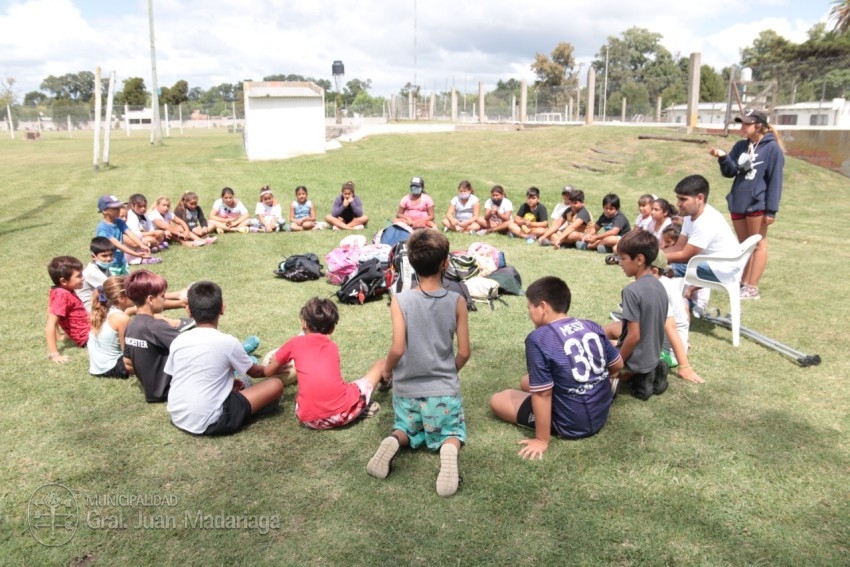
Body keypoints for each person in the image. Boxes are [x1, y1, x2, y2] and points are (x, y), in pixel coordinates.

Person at [366, 229, 470, 497]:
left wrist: (388, 370)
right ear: (445, 263)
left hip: (407, 393)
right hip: (443, 393)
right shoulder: (457, 301)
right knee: (451, 431)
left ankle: (393, 440)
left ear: (411, 263)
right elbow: (465, 352)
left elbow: (398, 348)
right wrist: (448, 371)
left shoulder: (399, 301)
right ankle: (448, 448)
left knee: (405, 428)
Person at [488, 276, 623, 460]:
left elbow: (543, 395)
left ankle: (557, 421)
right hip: (600, 410)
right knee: (526, 381)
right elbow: (618, 364)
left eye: (530, 307)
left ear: (543, 307)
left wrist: (541, 440)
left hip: (572, 422)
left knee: (498, 399)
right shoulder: (590, 325)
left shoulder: (538, 339)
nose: (529, 313)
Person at [165, 281, 284, 436]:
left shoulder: (179, 340)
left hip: (177, 415)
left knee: (240, 382)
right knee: (275, 385)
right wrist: (276, 364)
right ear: (222, 308)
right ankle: (250, 410)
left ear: (188, 311)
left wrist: (225, 383)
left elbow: (183, 375)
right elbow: (257, 373)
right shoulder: (228, 342)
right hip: (212, 421)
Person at [264, 297, 385, 429]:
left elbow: (268, 371)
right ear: (332, 329)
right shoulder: (332, 347)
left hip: (308, 420)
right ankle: (376, 391)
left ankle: (354, 406)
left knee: (300, 395)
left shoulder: (294, 343)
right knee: (380, 364)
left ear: (304, 323)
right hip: (341, 415)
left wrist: (276, 364)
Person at [710, 108, 785, 300]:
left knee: (758, 244)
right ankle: (743, 283)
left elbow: (775, 179)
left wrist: (771, 210)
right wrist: (723, 157)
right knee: (744, 246)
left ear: (758, 126)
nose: (742, 127)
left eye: (746, 123)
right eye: (741, 123)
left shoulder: (772, 148)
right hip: (738, 202)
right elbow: (730, 172)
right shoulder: (741, 146)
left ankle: (752, 287)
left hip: (757, 203)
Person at [608, 252, 704, 385]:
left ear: (653, 270)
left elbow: (670, 326)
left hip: (664, 354)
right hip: (666, 341)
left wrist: (685, 367)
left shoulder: (657, 288)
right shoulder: (668, 283)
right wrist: (684, 341)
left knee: (607, 346)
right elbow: (685, 309)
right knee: (615, 327)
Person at [662, 174, 742, 313]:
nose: (678, 204)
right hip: (709, 263)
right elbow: (678, 246)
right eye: (678, 198)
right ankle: (663, 307)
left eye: (683, 199)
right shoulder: (689, 216)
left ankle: (647, 309)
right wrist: (651, 253)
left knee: (661, 268)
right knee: (659, 266)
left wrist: (652, 257)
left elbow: (684, 256)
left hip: (722, 270)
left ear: (700, 198)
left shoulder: (706, 220)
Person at [608, 230, 669, 400]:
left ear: (640, 260)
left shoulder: (631, 291)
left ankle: (630, 378)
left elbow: (634, 336)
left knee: (597, 364)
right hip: (653, 355)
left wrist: (616, 365)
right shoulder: (660, 286)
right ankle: (652, 373)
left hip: (635, 360)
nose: (620, 263)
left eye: (623, 258)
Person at [122, 270, 182, 402]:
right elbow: (189, 347)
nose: (165, 299)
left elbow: (127, 362)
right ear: (150, 299)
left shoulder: (131, 326)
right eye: (162, 296)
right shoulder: (156, 327)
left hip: (151, 389)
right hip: (168, 389)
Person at [95, 194, 159, 274]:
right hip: (110, 265)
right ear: (104, 211)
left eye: (118, 207)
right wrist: (137, 254)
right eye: (114, 208)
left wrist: (141, 245)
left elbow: (130, 234)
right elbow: (119, 246)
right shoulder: (103, 228)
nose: (118, 210)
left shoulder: (119, 222)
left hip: (122, 262)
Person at [45, 256, 89, 363]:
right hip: (88, 337)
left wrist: (59, 336)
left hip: (90, 330)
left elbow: (49, 310)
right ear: (63, 281)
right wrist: (54, 354)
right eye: (79, 276)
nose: (83, 278)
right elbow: (50, 324)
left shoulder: (59, 290)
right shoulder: (62, 294)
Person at [88, 276, 132, 379]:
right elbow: (128, 353)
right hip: (112, 368)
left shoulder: (105, 310)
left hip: (97, 368)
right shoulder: (121, 318)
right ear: (121, 298)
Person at [78, 237, 115, 312]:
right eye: (104, 256)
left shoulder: (103, 267)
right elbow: (114, 288)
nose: (109, 258)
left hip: (101, 304)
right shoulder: (92, 271)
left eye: (111, 255)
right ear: (93, 256)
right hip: (90, 309)